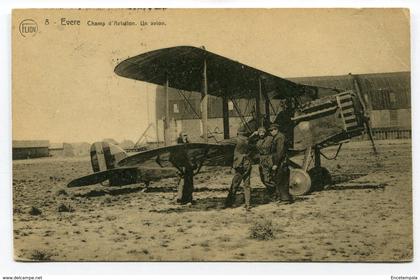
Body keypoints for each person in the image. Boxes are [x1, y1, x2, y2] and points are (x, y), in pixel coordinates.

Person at [224, 126, 252, 210]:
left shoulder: (236, 140)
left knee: (235, 183)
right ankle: (248, 204)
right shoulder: (247, 140)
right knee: (247, 185)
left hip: (239, 164)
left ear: (238, 132)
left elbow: (223, 143)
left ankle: (229, 202)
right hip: (247, 163)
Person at [268, 123, 294, 204]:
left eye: (272, 130)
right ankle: (284, 198)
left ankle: (285, 199)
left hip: (281, 162)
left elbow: (280, 151)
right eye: (270, 130)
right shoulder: (277, 137)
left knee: (281, 180)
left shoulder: (280, 137)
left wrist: (276, 164)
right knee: (280, 179)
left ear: (276, 129)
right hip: (281, 161)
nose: (271, 132)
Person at [172, 132, 195, 205]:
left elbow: (192, 156)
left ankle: (189, 199)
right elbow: (172, 158)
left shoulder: (189, 146)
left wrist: (194, 164)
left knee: (190, 184)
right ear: (180, 137)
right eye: (184, 135)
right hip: (182, 168)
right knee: (183, 184)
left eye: (186, 135)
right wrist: (179, 168)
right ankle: (183, 199)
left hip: (189, 168)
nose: (186, 137)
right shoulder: (177, 147)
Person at [254, 127, 275, 195]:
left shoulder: (270, 138)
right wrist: (253, 134)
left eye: (263, 132)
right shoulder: (257, 140)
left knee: (268, 177)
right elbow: (248, 141)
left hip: (269, 158)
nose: (261, 134)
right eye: (260, 132)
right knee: (262, 177)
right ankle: (271, 190)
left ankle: (275, 190)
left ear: (265, 133)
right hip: (261, 159)